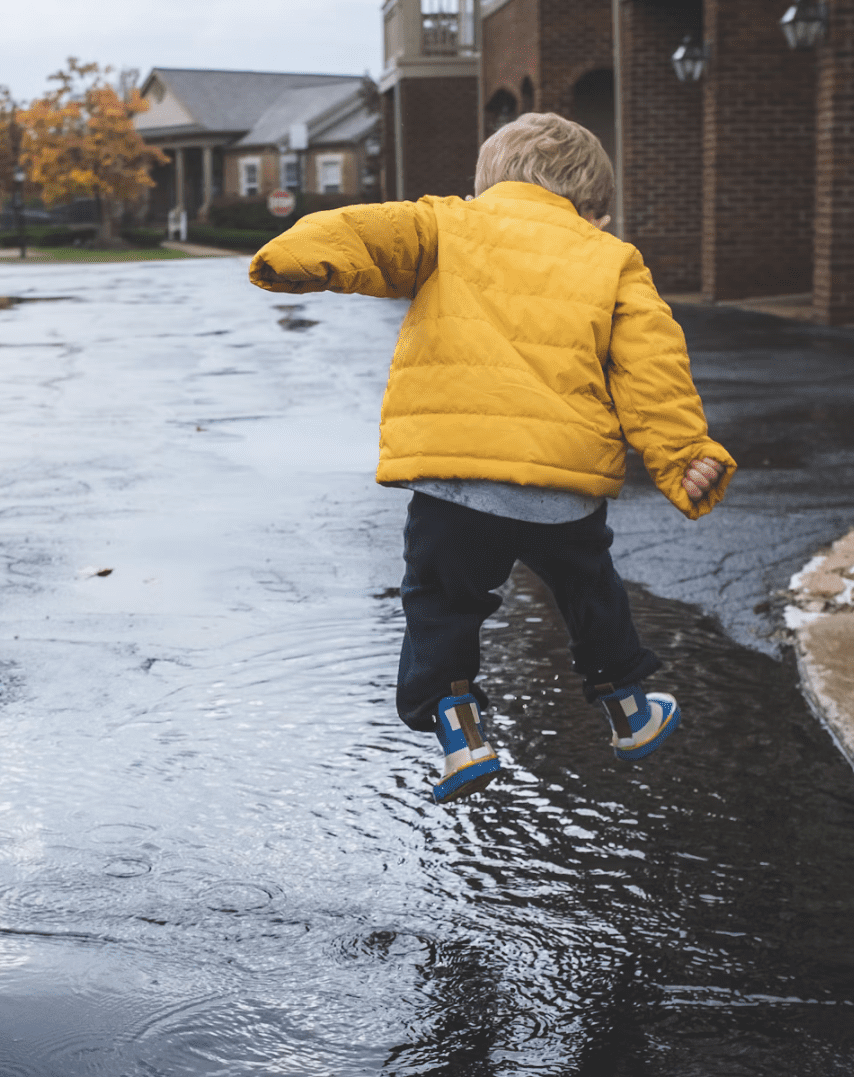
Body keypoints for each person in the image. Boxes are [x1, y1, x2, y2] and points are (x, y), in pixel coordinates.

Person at [248, 112, 733, 803]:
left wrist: (295, 256)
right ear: (592, 202)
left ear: (488, 181)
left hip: (455, 484)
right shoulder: (611, 258)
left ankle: (461, 732)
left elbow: (364, 232)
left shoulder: (449, 224)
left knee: (442, 602)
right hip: (560, 487)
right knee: (590, 590)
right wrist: (683, 454)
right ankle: (628, 709)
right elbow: (651, 368)